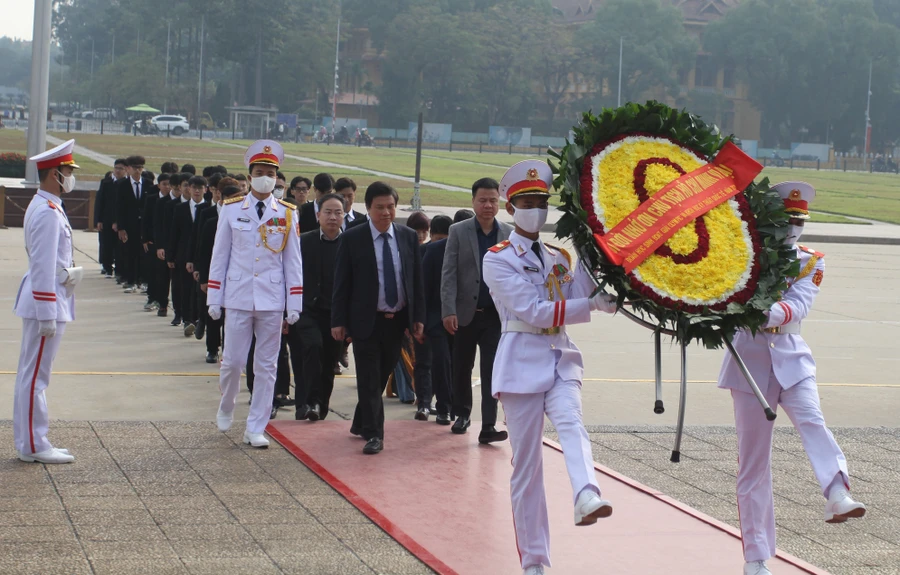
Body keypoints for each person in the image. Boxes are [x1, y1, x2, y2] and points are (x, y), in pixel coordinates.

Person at [719, 182, 866, 575]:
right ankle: (755, 558)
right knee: (753, 464)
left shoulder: (810, 261)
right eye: (787, 219)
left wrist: (758, 312)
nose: (793, 228)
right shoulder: (745, 258)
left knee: (813, 422)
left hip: (791, 357)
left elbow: (797, 305)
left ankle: (837, 491)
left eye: (799, 221)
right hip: (749, 362)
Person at [483, 160, 618, 575]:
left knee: (573, 424)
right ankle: (535, 562)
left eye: (541, 201)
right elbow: (534, 310)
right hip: (521, 362)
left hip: (560, 356)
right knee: (527, 468)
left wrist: (597, 261)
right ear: (510, 208)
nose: (536, 209)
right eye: (527, 201)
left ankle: (586, 493)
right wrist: (589, 304)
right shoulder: (498, 259)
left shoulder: (559, 254)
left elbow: (582, 290)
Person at [208, 140, 302, 448]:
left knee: (266, 366)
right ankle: (227, 404)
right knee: (233, 362)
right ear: (249, 177)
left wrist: (294, 302)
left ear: (277, 178)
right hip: (237, 295)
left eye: (270, 173)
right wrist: (214, 297)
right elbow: (219, 255)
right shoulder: (233, 208)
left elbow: (293, 261)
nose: (265, 178)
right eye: (259, 172)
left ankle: (256, 426)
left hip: (271, 299)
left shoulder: (287, 213)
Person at [332, 181, 425, 455]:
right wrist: (339, 321)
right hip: (365, 321)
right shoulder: (352, 237)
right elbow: (342, 283)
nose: (386, 212)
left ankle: (361, 421)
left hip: (396, 321)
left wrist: (417, 316)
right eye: (380, 207)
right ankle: (375, 434)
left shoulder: (408, 236)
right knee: (370, 377)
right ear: (368, 208)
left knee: (381, 374)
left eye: (391, 207)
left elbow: (415, 280)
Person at [13, 139, 83, 464]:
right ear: (55, 174)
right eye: (69, 171)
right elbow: (42, 266)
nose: (71, 177)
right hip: (47, 302)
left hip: (50, 298)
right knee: (35, 377)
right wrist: (46, 313)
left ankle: (33, 440)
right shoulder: (48, 212)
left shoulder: (47, 205)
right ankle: (34, 444)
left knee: (34, 374)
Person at [442, 177, 514, 444]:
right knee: (461, 366)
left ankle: (488, 425)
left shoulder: (509, 233)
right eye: (482, 200)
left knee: (492, 371)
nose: (488, 205)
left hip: (496, 317)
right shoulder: (458, 231)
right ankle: (461, 414)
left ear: (499, 202)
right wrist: (448, 310)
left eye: (493, 200)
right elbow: (448, 273)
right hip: (464, 314)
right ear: (473, 201)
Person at [292, 193, 346, 421]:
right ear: (318, 215)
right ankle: (309, 401)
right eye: (328, 212)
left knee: (329, 363)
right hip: (308, 310)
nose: (333, 217)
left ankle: (320, 407)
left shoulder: (350, 242)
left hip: (336, 315)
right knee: (313, 349)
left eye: (338, 212)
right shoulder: (303, 241)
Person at [415, 215, 453, 423]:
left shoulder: (456, 253)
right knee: (425, 362)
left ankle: (445, 406)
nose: (441, 243)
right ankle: (424, 403)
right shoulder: (423, 252)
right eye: (437, 238)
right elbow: (418, 290)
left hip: (451, 317)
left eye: (444, 239)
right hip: (428, 317)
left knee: (445, 363)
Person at [168, 175, 209, 337]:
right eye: (194, 187)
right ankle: (186, 319)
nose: (197, 191)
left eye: (200, 187)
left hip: (201, 256)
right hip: (182, 254)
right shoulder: (180, 208)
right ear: (189, 189)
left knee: (198, 291)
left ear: (206, 190)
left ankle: (199, 319)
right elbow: (174, 233)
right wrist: (171, 256)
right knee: (184, 288)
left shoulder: (208, 209)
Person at [115, 156, 152, 292]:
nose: (137, 171)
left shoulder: (148, 184)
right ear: (128, 169)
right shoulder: (122, 185)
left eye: (140, 168)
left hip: (144, 225)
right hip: (129, 225)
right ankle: (131, 281)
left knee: (144, 253)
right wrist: (121, 227)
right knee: (130, 253)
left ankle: (143, 280)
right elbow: (119, 207)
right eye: (135, 168)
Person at [94, 158, 125, 277]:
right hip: (106, 219)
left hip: (120, 220)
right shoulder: (106, 183)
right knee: (106, 244)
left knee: (119, 247)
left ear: (126, 170)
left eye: (121, 169)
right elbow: (99, 202)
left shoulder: (125, 184)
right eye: (116, 168)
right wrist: (98, 220)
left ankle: (119, 270)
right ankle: (107, 268)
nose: (118, 171)